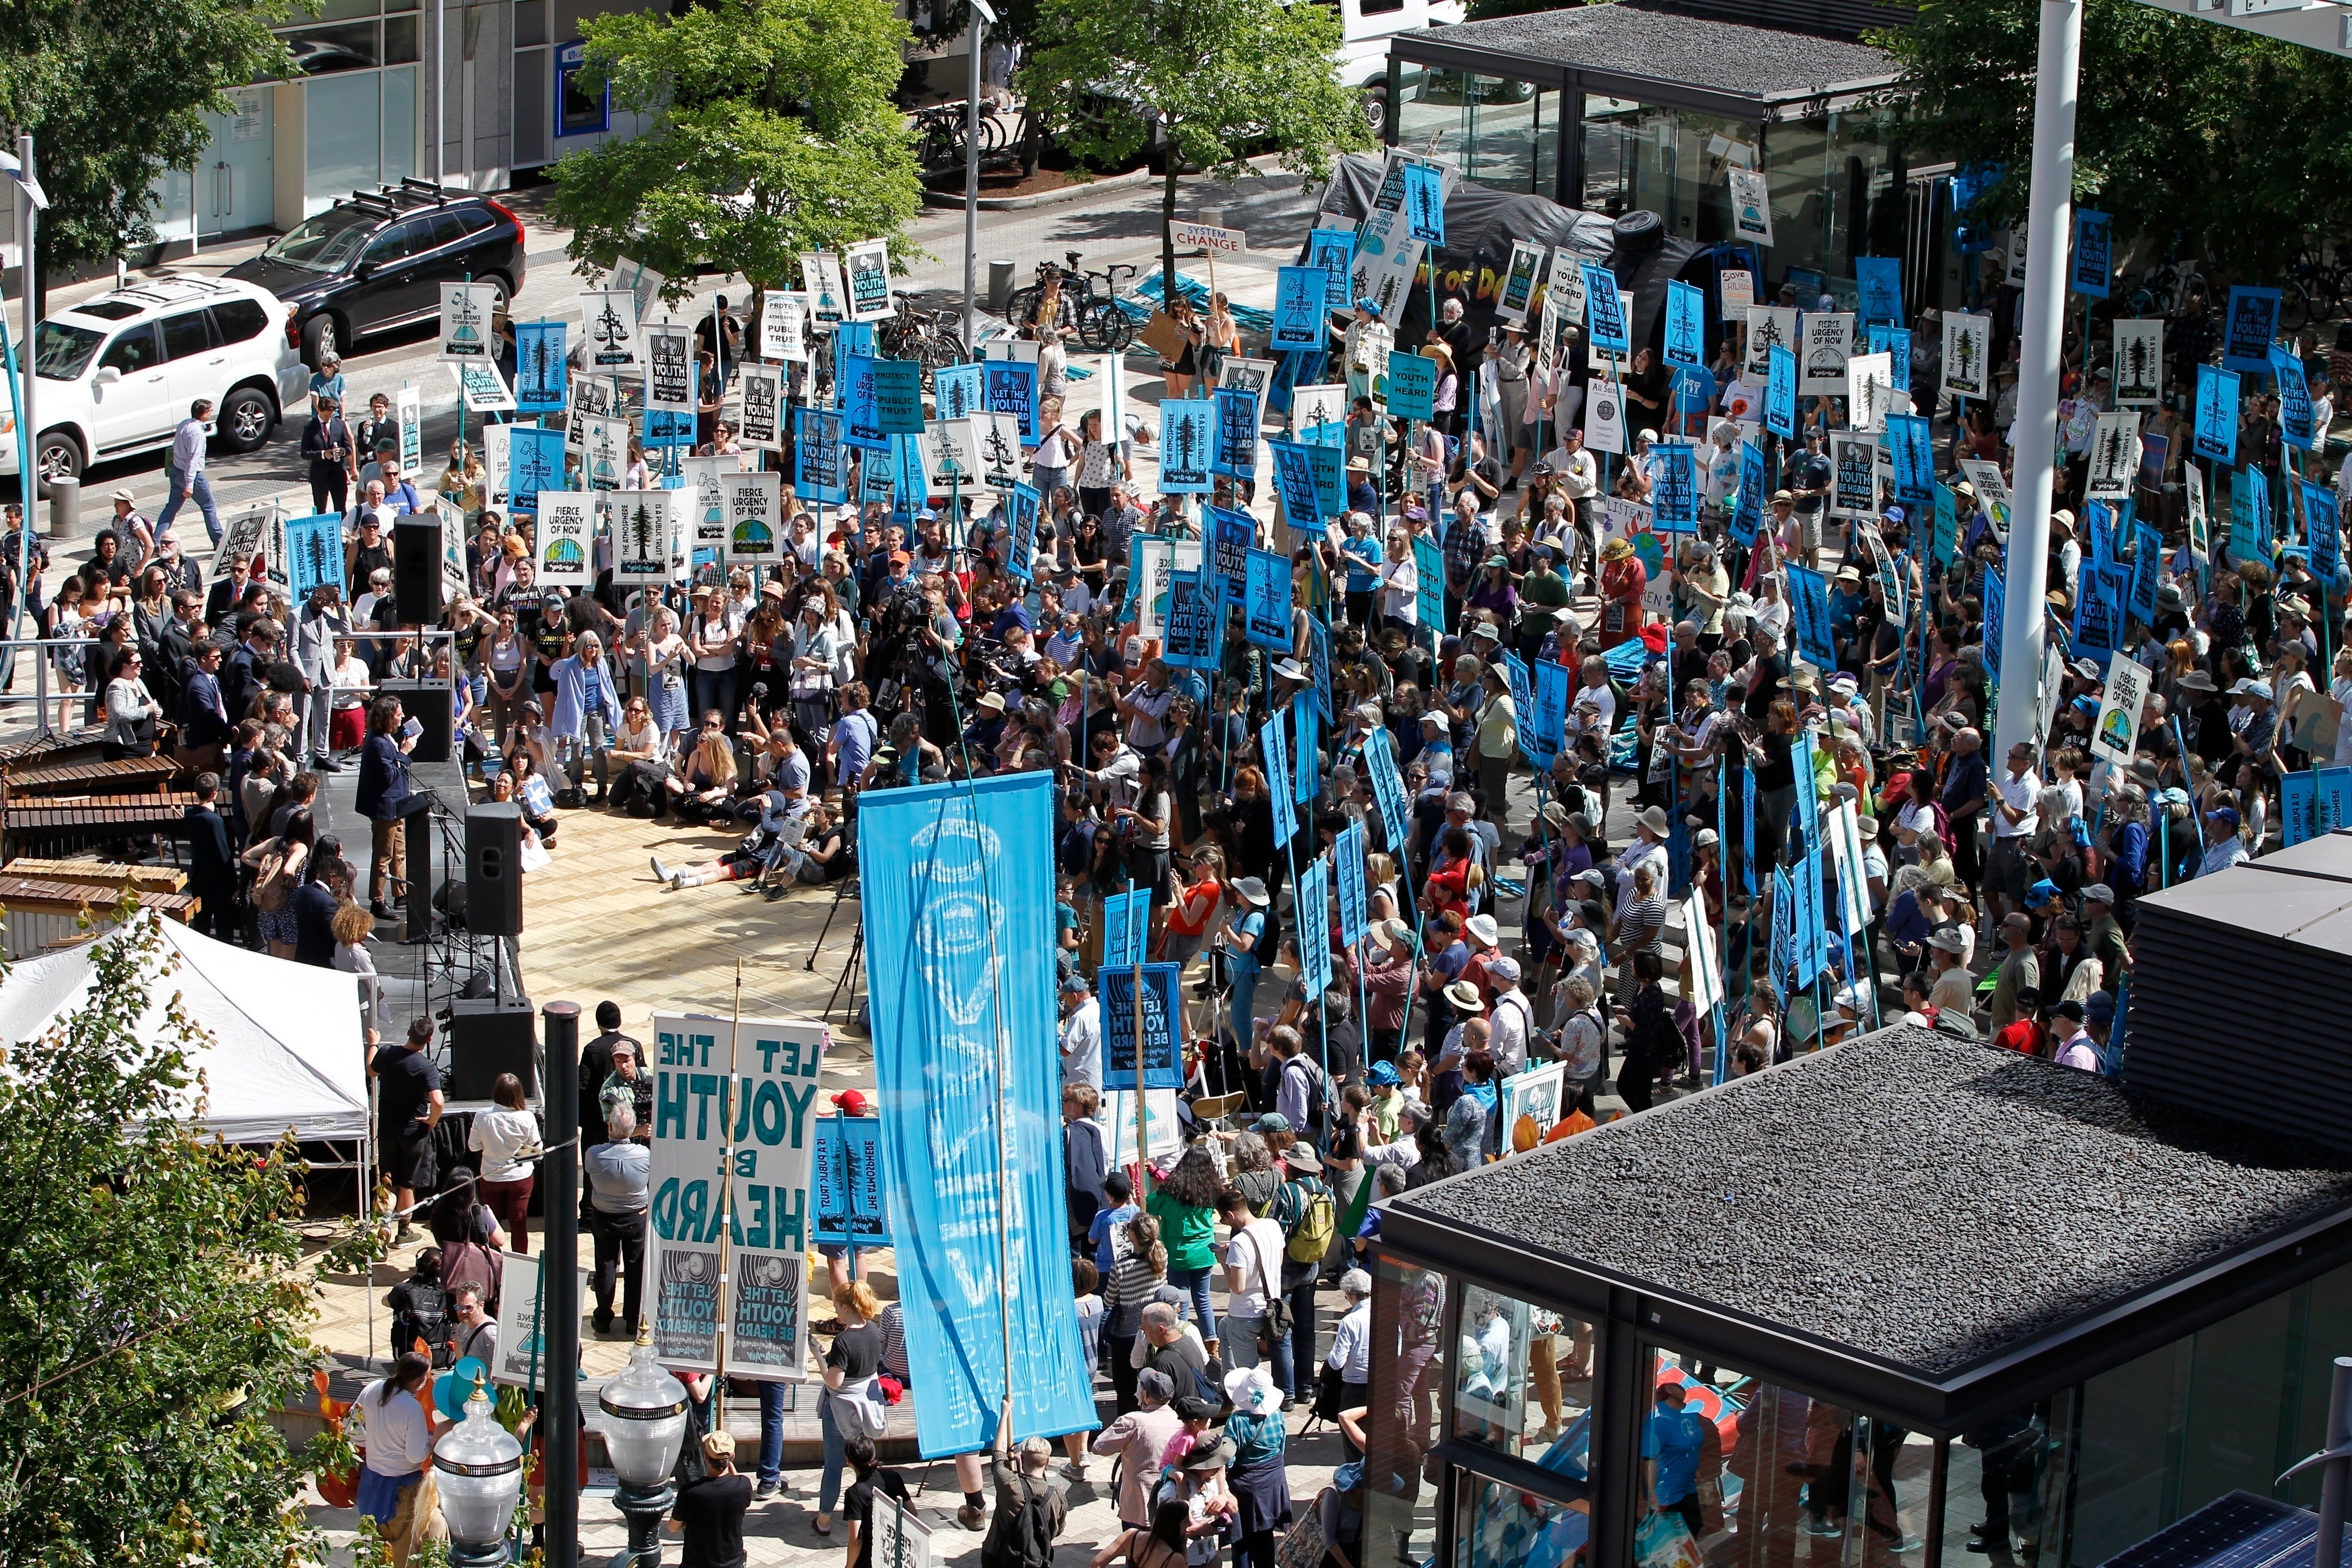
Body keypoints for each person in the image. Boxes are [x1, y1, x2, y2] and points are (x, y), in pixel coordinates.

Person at [817, 1280, 890, 1535]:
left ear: (847, 1307)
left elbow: (834, 1383)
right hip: (868, 1407)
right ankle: (872, 1512)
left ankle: (824, 1520)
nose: (836, 1312)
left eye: (837, 1307)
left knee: (834, 1466)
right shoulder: (874, 1329)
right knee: (867, 1464)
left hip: (842, 1409)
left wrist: (818, 1356)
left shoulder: (843, 1341)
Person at [371, 1017, 443, 1240]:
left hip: (388, 1129)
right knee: (407, 1184)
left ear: (408, 1032)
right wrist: (432, 1120)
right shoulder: (426, 1067)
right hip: (413, 1133)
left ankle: (383, 1224)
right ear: (429, 1039)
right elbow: (438, 1101)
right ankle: (403, 1232)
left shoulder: (386, 1054)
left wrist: (374, 1044)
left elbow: (372, 1071)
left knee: (387, 1179)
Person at [353, 1352, 436, 1534]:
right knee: (400, 1546)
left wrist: (369, 1443)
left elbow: (349, 1425)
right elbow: (415, 1455)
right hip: (402, 1489)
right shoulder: (412, 1409)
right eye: (427, 1376)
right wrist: (433, 1441)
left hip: (371, 1480)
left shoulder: (372, 1388)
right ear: (417, 1381)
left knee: (375, 1538)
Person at [587, 1101, 651, 1334]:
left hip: (605, 1216)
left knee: (605, 1266)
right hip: (636, 1217)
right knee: (635, 1267)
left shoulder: (594, 1155)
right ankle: (633, 1319)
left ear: (610, 1127)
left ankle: (604, 1317)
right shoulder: (644, 1155)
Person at [355, 694, 416, 917]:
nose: (402, 718)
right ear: (388, 716)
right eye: (399, 714)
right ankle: (377, 901)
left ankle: (400, 894)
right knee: (383, 855)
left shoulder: (385, 736)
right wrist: (404, 753)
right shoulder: (378, 742)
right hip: (385, 808)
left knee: (398, 851)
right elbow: (388, 774)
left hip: (396, 805)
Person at [470, 1073, 541, 1253]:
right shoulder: (527, 1117)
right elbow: (538, 1152)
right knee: (519, 1224)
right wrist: (517, 1154)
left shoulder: (482, 1116)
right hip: (521, 1178)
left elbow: (473, 1146)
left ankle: (492, 1262)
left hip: (491, 1176)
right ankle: (521, 1264)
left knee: (491, 1225)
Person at [668, 1428, 752, 1568]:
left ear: (705, 1456)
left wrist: (692, 1519)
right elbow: (737, 1478)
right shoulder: (743, 1486)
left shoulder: (690, 1492)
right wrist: (728, 1461)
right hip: (732, 1564)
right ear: (733, 1457)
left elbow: (672, 1527)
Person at [981, 1438, 1069, 1568]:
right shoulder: (1057, 1495)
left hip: (998, 1555)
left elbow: (998, 1454)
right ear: (1048, 1461)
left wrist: (1005, 1417)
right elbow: (1058, 1529)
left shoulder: (1008, 1485)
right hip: (1035, 1560)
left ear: (1021, 1459)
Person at [155, 399, 222, 546]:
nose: (211, 413)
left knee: (171, 508)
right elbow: (193, 459)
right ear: (204, 414)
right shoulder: (197, 434)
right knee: (209, 506)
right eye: (210, 411)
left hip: (176, 472)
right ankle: (219, 540)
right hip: (192, 477)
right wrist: (190, 484)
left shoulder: (184, 424)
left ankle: (156, 541)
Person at [841, 1431, 913, 1568]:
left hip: (869, 1560)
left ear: (848, 1461)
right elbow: (912, 1513)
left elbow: (856, 1540)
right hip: (893, 1554)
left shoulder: (854, 1493)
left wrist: (849, 1567)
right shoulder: (892, 1476)